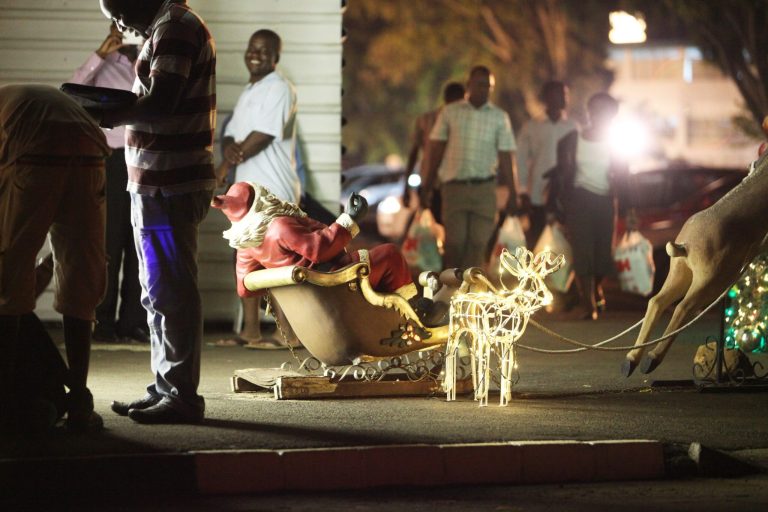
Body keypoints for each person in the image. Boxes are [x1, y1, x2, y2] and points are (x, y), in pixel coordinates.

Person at [98, 0, 216, 424]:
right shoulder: (164, 27)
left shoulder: (176, 27)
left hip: (170, 183)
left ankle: (182, 396)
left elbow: (163, 100)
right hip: (155, 182)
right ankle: (166, 387)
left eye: (116, 9)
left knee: (172, 291)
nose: (116, 22)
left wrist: (109, 112)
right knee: (157, 293)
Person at [0, 84, 111, 433]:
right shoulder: (15, 97)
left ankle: (3, 407)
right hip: (90, 147)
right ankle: (78, 400)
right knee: (81, 273)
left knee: (8, 276)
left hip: (34, 147)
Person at [211, 183, 447, 326]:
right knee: (390, 254)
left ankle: (391, 312)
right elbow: (318, 249)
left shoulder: (247, 245)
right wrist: (350, 218)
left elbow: (244, 287)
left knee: (375, 256)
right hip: (334, 283)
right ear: (261, 201)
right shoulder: (279, 226)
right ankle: (413, 311)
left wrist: (278, 280)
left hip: (311, 292)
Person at [217, 29, 302, 350]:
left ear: (276, 58)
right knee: (247, 263)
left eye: (264, 51)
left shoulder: (280, 87)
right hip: (247, 194)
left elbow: (263, 134)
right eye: (252, 49)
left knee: (278, 265)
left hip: (273, 191)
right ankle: (251, 331)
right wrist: (228, 152)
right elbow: (232, 134)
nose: (256, 55)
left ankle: (288, 334)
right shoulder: (250, 90)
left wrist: (228, 161)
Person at [70, 23, 148, 344]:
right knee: (108, 240)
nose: (129, 36)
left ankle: (133, 323)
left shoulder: (152, 60)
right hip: (112, 160)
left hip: (143, 159)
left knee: (139, 243)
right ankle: (102, 322)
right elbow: (72, 94)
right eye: (122, 29)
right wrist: (101, 53)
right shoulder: (104, 64)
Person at [420, 65, 519, 270]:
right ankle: (450, 293)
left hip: (484, 189)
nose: (484, 89)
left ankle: (468, 297)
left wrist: (513, 192)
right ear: (469, 85)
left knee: (478, 244)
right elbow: (435, 151)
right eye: (479, 84)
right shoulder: (450, 112)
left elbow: (506, 156)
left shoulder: (499, 117)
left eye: (488, 86)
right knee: (455, 243)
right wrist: (427, 185)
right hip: (454, 188)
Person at [555, 92, 628, 320]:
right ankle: (589, 304)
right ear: (589, 111)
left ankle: (596, 287)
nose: (598, 115)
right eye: (594, 109)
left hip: (605, 201)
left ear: (612, 115)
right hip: (579, 201)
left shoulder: (616, 143)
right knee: (582, 251)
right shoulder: (571, 140)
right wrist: (558, 208)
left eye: (604, 111)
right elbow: (561, 176)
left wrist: (630, 208)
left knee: (602, 254)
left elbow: (626, 176)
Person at [516, 81, 577, 248]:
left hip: (565, 195)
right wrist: (522, 191)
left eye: (566, 94)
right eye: (560, 94)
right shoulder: (531, 127)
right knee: (538, 241)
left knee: (565, 243)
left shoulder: (573, 128)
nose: (564, 98)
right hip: (538, 194)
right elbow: (520, 159)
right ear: (547, 98)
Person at [403, 81, 465, 222]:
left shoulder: (426, 119)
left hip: (434, 185)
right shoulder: (427, 120)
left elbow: (414, 153)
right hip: (445, 185)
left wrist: (407, 187)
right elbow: (414, 153)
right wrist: (407, 187)